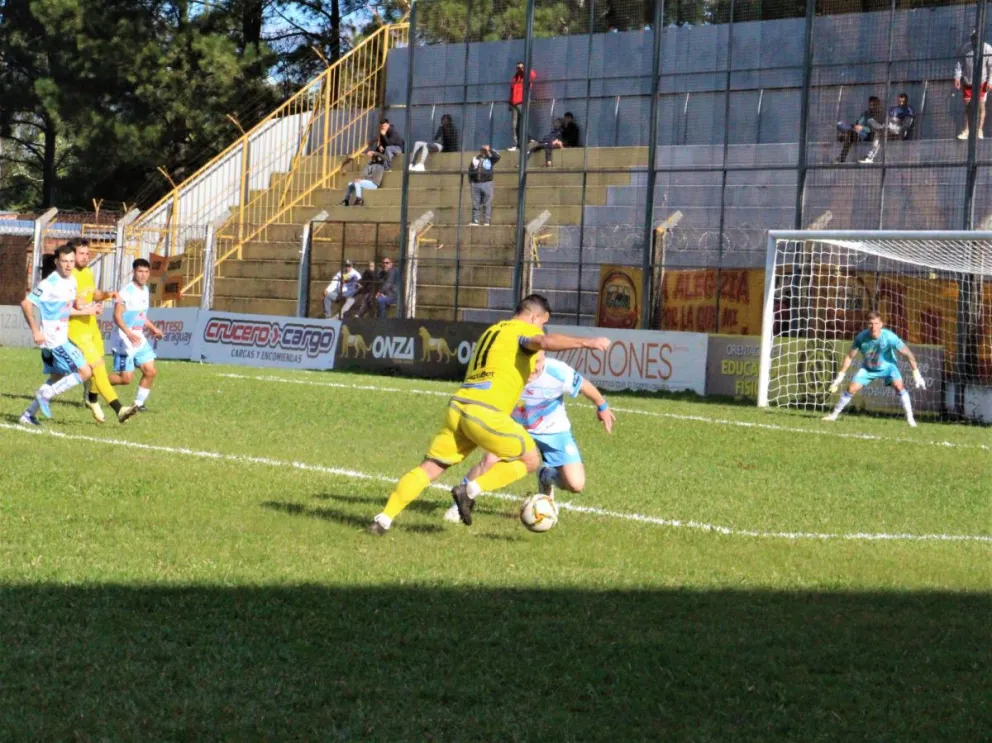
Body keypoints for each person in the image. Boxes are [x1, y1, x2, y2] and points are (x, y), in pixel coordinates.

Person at [369, 294, 611, 535]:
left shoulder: (493, 331)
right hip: (485, 412)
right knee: (530, 460)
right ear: (534, 317)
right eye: (541, 324)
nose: (541, 330)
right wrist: (586, 343)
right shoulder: (520, 332)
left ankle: (383, 520)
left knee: (430, 468)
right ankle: (470, 491)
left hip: (459, 406)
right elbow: (544, 342)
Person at [442, 352, 616, 523]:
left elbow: (585, 386)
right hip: (515, 429)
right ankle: (458, 505)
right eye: (532, 362)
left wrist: (603, 407)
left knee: (576, 484)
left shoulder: (557, 371)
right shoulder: (509, 373)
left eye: (539, 361)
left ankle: (545, 476)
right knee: (489, 459)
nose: (535, 367)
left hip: (554, 432)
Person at [18, 245, 99, 426]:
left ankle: (28, 415)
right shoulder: (49, 284)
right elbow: (26, 304)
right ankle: (46, 394)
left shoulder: (72, 281)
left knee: (57, 377)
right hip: (54, 340)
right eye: (65, 261)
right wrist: (35, 330)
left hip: (61, 337)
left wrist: (89, 309)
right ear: (57, 262)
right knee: (85, 371)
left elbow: (66, 309)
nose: (69, 265)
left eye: (71, 261)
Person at [823, 311, 926, 427]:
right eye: (870, 324)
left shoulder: (889, 337)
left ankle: (911, 420)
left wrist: (916, 373)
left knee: (899, 387)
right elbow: (849, 356)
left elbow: (908, 353)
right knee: (851, 389)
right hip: (868, 369)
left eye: (876, 323)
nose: (873, 327)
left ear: (881, 324)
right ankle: (833, 415)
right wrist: (840, 376)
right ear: (867, 325)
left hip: (889, 367)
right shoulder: (861, 338)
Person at [68, 239, 128, 423]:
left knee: (98, 365)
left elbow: (93, 294)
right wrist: (87, 307)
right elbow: (66, 307)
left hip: (91, 327)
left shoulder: (87, 272)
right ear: (72, 255)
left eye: (87, 254)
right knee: (98, 368)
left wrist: (107, 295)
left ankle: (92, 399)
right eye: (81, 253)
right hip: (76, 330)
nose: (85, 257)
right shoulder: (67, 277)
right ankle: (119, 409)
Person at [108, 259, 164, 418]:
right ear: (134, 272)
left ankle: (138, 404)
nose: (144, 275)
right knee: (126, 379)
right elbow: (117, 315)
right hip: (124, 339)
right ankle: (94, 385)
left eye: (146, 272)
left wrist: (153, 329)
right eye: (140, 271)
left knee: (150, 371)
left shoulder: (145, 289)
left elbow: (140, 315)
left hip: (138, 338)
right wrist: (128, 333)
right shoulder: (126, 292)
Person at [954, 30, 992, 140]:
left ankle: (979, 130)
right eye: (973, 38)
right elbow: (959, 64)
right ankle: (966, 130)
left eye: (976, 38)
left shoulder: (988, 49)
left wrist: (990, 81)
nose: (974, 40)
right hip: (968, 82)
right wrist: (957, 76)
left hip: (982, 82)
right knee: (968, 107)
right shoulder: (966, 48)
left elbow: (991, 67)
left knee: (980, 106)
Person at [860, 93, 915, 164]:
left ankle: (870, 156)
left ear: (906, 100)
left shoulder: (908, 109)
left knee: (881, 129)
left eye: (903, 101)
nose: (901, 102)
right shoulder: (893, 108)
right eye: (899, 100)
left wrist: (896, 124)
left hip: (898, 128)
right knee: (876, 128)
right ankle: (870, 157)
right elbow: (885, 117)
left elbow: (906, 125)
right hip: (888, 126)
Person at [835, 96, 883, 163]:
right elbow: (859, 123)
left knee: (849, 132)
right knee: (841, 125)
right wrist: (857, 127)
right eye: (870, 105)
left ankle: (845, 136)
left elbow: (875, 129)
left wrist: (862, 128)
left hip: (871, 135)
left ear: (878, 105)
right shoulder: (866, 114)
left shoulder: (881, 115)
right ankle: (842, 156)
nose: (871, 107)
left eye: (874, 105)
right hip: (861, 133)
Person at [508, 61, 536, 151]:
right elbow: (511, 91)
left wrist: (524, 69)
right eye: (518, 68)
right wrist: (510, 103)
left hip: (522, 102)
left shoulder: (526, 76)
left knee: (524, 122)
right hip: (514, 103)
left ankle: (529, 138)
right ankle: (515, 144)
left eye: (521, 67)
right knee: (514, 125)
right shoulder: (514, 78)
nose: (519, 69)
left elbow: (533, 76)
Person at [469, 145, 500, 226]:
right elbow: (470, 170)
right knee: (476, 203)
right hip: (476, 183)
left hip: (487, 183)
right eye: (482, 150)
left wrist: (489, 150)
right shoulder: (475, 159)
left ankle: (486, 221)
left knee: (487, 203)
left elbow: (497, 156)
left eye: (484, 151)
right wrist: (471, 181)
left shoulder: (490, 159)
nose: (483, 152)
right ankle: (475, 220)